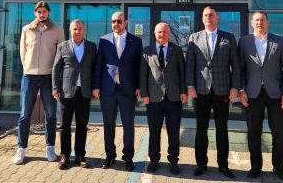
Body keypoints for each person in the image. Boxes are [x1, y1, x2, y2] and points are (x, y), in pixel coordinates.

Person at [186, 6, 241, 178]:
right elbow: (190, 65)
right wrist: (190, 85)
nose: (208, 18)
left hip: (222, 90)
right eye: (205, 15)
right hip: (201, 91)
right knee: (201, 128)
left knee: (222, 129)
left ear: (217, 18)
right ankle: (201, 165)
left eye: (211, 15)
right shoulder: (194, 38)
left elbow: (236, 64)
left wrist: (235, 86)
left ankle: (223, 165)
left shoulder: (229, 38)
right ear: (202, 19)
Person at [238, 11, 283, 181]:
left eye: (262, 20)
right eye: (256, 20)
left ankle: (279, 167)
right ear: (251, 23)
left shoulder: (280, 41)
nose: (259, 22)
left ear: (267, 22)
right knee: (254, 132)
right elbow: (240, 68)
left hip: (276, 94)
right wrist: (241, 90)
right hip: (252, 94)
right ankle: (256, 167)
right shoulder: (244, 42)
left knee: (280, 133)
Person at [13, 1, 65, 165]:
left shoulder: (57, 30)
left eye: (44, 11)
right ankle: (21, 148)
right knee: (25, 114)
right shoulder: (26, 29)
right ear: (35, 13)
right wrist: (28, 68)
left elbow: (61, 54)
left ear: (49, 12)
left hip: (49, 77)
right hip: (29, 77)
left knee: (50, 114)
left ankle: (50, 147)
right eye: (39, 11)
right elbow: (23, 53)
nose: (42, 14)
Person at [93, 11, 142, 171]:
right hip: (108, 89)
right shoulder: (104, 40)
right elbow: (99, 64)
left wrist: (139, 87)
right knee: (108, 124)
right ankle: (110, 155)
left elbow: (139, 67)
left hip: (127, 89)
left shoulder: (136, 41)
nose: (116, 24)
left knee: (128, 124)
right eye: (113, 21)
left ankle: (128, 158)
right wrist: (96, 86)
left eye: (119, 21)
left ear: (125, 22)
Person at [139, 23, 187, 175]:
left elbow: (182, 72)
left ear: (169, 33)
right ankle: (154, 160)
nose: (162, 34)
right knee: (154, 132)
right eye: (159, 32)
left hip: (174, 97)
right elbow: (143, 74)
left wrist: (184, 91)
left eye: (165, 32)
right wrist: (144, 94)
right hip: (154, 98)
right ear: (155, 33)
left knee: (173, 132)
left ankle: (173, 161)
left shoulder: (177, 50)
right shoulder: (146, 51)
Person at [52, 19, 97, 169]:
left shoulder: (92, 46)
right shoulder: (62, 46)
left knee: (82, 125)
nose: (77, 31)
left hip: (84, 91)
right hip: (66, 92)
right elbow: (56, 69)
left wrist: (95, 87)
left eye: (80, 29)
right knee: (64, 126)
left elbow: (95, 69)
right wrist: (55, 89)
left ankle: (79, 156)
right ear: (70, 30)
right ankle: (64, 155)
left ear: (84, 30)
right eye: (74, 29)